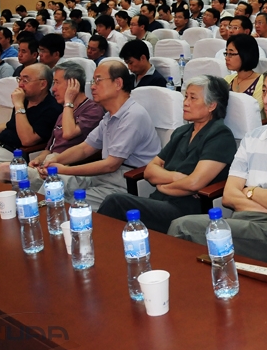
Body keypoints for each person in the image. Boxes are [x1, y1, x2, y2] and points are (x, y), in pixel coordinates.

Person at [168, 63, 267, 266]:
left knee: (183, 228)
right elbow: (229, 196)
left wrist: (249, 191)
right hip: (241, 221)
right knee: (194, 238)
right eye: (264, 91)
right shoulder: (252, 137)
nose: (266, 99)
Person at [98, 76, 237, 233]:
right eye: (186, 97)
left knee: (116, 202)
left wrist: (163, 186)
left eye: (193, 98)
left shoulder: (220, 135)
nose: (185, 103)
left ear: (212, 105)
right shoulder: (182, 132)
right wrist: (176, 177)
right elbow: (150, 170)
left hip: (186, 210)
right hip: (159, 201)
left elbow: (194, 183)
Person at [38, 61, 162, 208]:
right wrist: (53, 161)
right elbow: (84, 148)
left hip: (126, 180)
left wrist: (65, 169)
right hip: (103, 176)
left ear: (118, 83)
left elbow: (111, 165)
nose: (92, 86)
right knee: (55, 182)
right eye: (93, 81)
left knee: (73, 203)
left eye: (98, 80)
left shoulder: (133, 116)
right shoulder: (109, 116)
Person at [0, 61, 104, 188]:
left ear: (73, 84)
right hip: (48, 164)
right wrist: (38, 160)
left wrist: (68, 101)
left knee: (4, 170)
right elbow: (50, 148)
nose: (53, 89)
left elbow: (68, 133)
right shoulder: (64, 111)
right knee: (9, 180)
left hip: (65, 169)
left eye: (57, 82)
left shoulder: (92, 110)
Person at [0, 63, 62, 180]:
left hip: (10, 158)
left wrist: (19, 105)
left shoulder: (52, 108)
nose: (20, 84)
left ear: (42, 84)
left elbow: (27, 140)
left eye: (26, 80)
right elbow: (10, 124)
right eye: (20, 79)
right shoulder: (25, 100)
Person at [224, 34, 265, 118]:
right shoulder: (227, 80)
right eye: (226, 53)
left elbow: (252, 112)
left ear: (245, 54)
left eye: (231, 53)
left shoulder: (263, 82)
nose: (226, 58)